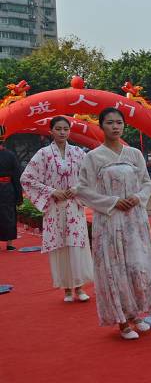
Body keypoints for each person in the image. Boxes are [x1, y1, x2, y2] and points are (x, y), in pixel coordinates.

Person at [76, 107, 151, 340]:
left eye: (119, 123)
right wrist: (112, 202)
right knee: (115, 268)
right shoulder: (93, 158)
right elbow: (83, 190)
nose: (115, 127)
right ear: (101, 126)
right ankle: (122, 321)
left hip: (135, 220)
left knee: (137, 264)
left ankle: (136, 315)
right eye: (110, 123)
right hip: (110, 221)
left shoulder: (134, 154)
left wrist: (138, 197)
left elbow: (147, 183)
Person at [19, 116, 95, 302]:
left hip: (74, 207)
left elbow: (91, 175)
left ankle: (79, 286)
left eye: (65, 129)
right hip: (54, 207)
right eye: (58, 128)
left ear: (70, 131)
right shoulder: (43, 154)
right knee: (60, 246)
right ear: (51, 131)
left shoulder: (78, 153)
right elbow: (26, 178)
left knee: (76, 245)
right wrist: (52, 191)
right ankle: (67, 289)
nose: (62, 132)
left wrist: (76, 189)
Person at [0, 139, 23, 250]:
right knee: (9, 214)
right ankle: (9, 244)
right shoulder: (10, 155)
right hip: (7, 188)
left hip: (6, 188)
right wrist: (19, 196)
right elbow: (16, 176)